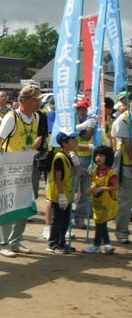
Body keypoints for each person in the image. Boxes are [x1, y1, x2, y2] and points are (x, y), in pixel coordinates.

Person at [0, 85, 43, 257]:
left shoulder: (35, 117)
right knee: (8, 206)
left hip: (26, 169)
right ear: (24, 101)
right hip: (9, 170)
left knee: (24, 205)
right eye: (36, 100)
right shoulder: (12, 117)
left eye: (39, 100)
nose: (38, 103)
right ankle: (3, 243)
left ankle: (16, 241)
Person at [46, 131, 80, 254]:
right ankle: (53, 243)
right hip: (59, 194)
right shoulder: (59, 157)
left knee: (65, 221)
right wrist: (61, 196)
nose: (75, 142)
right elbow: (57, 178)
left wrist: (76, 163)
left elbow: (74, 174)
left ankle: (61, 242)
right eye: (72, 140)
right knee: (58, 220)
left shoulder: (69, 156)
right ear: (65, 143)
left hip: (67, 193)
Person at [82, 146, 118, 254]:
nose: (98, 158)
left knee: (99, 224)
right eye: (97, 155)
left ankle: (96, 245)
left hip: (107, 203)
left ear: (107, 157)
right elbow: (94, 184)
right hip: (97, 203)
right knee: (101, 223)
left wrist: (102, 188)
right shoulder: (95, 171)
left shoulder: (110, 172)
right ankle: (107, 244)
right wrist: (91, 189)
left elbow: (115, 187)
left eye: (101, 156)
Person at [72, 100, 96, 229]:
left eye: (84, 109)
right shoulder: (75, 121)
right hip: (76, 158)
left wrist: (93, 126)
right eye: (79, 109)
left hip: (89, 159)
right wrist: (88, 147)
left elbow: (87, 137)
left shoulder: (89, 122)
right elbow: (74, 142)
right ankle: (67, 218)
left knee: (85, 191)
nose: (81, 111)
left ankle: (80, 218)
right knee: (71, 189)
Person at [114, 100, 132, 244]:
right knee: (125, 201)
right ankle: (122, 231)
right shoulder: (125, 119)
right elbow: (126, 144)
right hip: (128, 166)